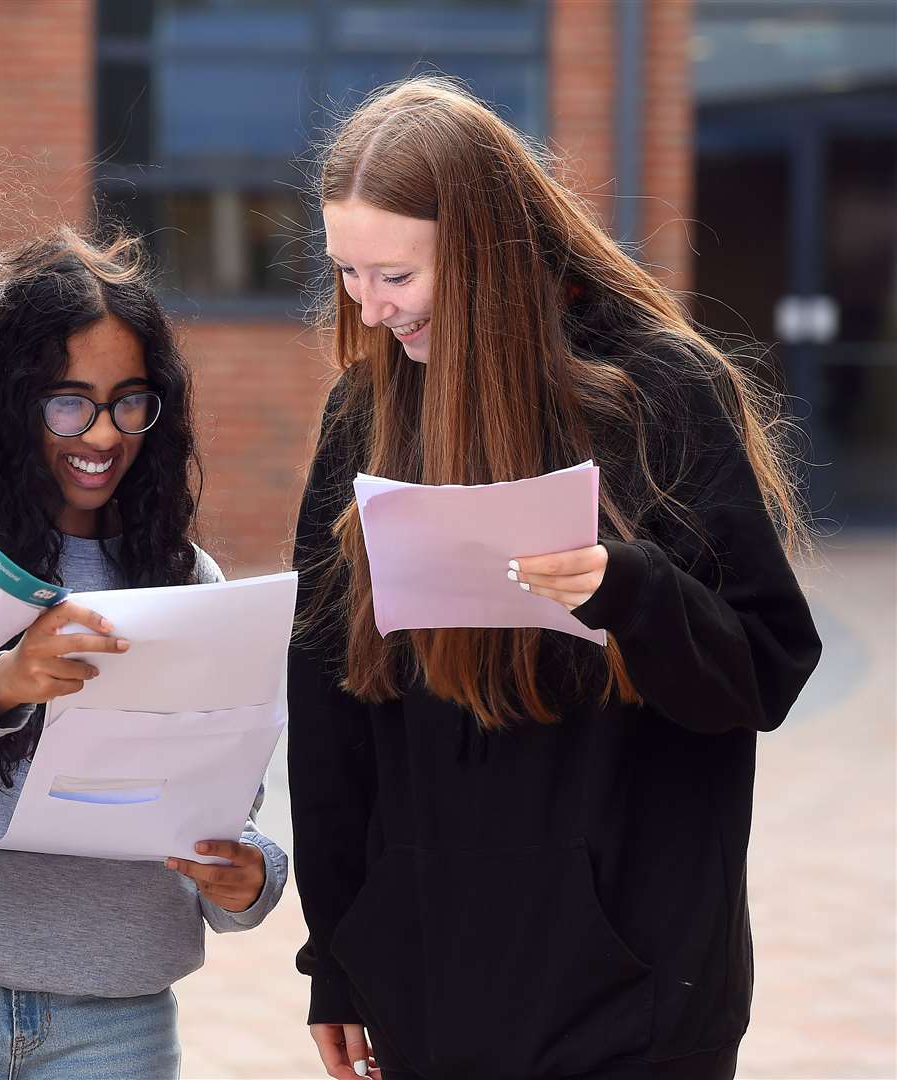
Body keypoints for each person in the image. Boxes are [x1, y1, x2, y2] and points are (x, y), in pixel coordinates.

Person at [288, 78, 822, 1080]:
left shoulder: (659, 389)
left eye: (395, 274)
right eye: (346, 273)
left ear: (486, 255)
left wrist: (626, 589)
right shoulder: (364, 415)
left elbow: (762, 673)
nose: (367, 307)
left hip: (638, 990)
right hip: (428, 982)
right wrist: (337, 958)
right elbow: (328, 712)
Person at [0, 228, 289, 1079]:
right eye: (68, 402)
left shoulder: (188, 580)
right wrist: (7, 680)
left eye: (129, 402)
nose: (103, 434)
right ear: (9, 401)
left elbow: (226, 798)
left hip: (116, 1012)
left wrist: (253, 878)